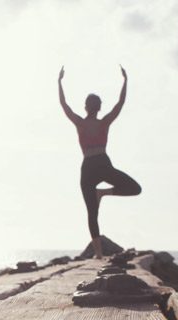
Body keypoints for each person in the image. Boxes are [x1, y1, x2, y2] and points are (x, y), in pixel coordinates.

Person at [59, 65, 141, 259]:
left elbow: (64, 105)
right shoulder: (102, 122)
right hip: (100, 164)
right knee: (133, 189)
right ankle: (103, 194)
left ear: (86, 106)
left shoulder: (81, 122)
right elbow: (120, 104)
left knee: (91, 212)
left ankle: (98, 253)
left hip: (90, 166)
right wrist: (125, 82)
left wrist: (59, 82)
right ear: (97, 107)